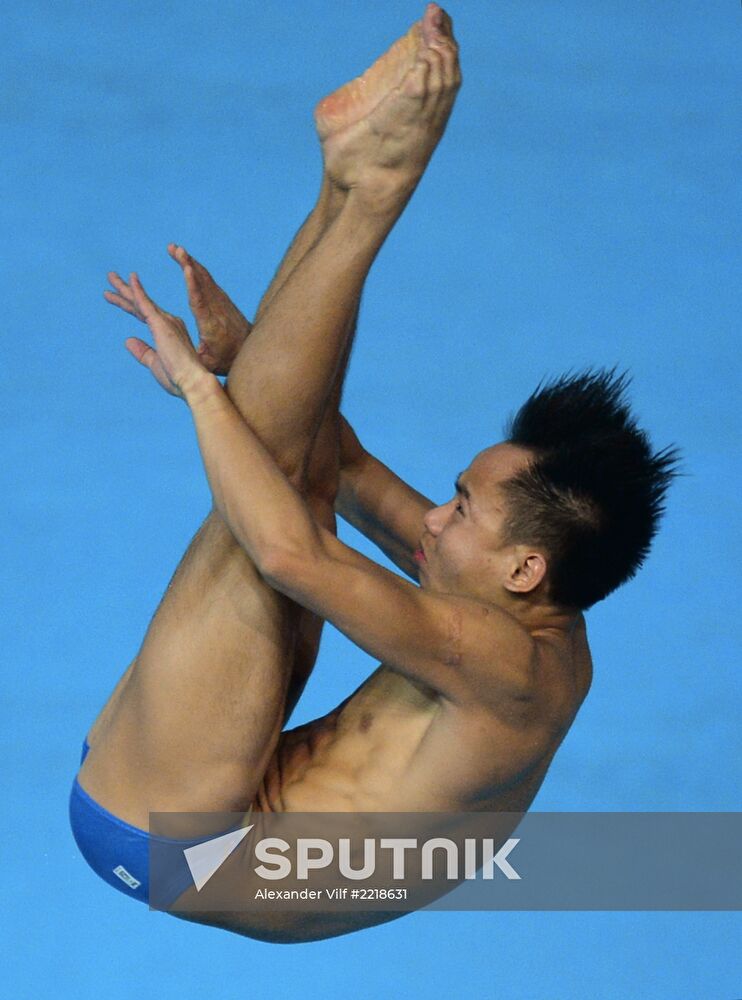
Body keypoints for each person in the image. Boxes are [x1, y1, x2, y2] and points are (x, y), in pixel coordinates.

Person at [70, 3, 677, 943]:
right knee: (301, 457)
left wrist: (197, 387)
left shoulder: (506, 664)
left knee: (275, 486)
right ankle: (344, 185)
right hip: (195, 790)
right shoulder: (531, 597)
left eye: (464, 508)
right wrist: (250, 354)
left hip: (176, 840)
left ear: (525, 566)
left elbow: (286, 553)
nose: (433, 520)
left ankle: (372, 184)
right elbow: (343, 460)